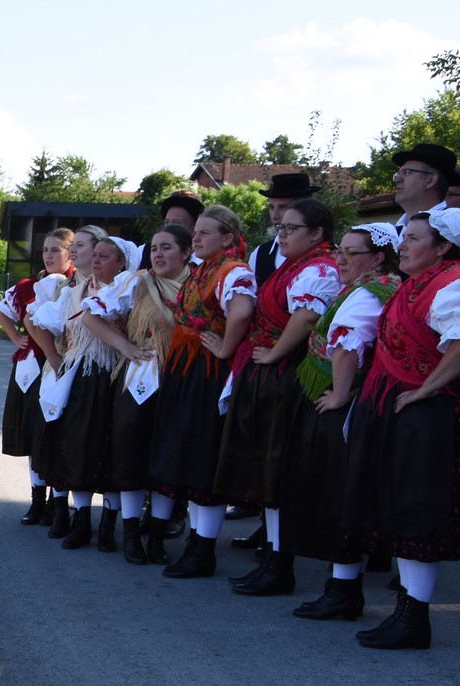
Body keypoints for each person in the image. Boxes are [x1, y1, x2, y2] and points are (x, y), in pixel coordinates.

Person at [341, 212, 460, 649]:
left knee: (416, 511)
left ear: (443, 246)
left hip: (427, 415)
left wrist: (428, 388)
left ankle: (414, 619)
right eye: (404, 237)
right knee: (400, 505)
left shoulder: (452, 282)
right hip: (400, 407)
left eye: (413, 238)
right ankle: (408, 615)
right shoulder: (418, 283)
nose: (403, 245)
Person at [214, 197, 340, 596]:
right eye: (280, 228)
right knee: (267, 468)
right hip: (269, 375)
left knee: (277, 467)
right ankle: (274, 557)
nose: (280, 235)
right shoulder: (294, 265)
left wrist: (276, 352)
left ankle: (281, 564)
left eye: (290, 228)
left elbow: (305, 317)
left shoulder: (319, 268)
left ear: (317, 233)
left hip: (287, 378)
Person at [281, 223, 402, 621]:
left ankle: (343, 592)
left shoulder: (369, 293)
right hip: (356, 403)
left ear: (378, 258)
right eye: (341, 251)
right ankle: (343, 589)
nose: (341, 259)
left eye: (352, 253)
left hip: (344, 410)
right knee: (345, 496)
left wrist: (340, 392)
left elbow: (349, 344)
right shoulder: (383, 286)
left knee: (341, 499)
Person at [148, 206, 256, 578]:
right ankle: (178, 539)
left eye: (205, 233)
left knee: (201, 455)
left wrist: (225, 348)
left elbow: (241, 311)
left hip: (207, 371)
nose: (196, 238)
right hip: (186, 366)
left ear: (227, 239)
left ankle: (202, 550)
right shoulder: (205, 270)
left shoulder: (233, 271)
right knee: (182, 450)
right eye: (195, 232)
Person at [82, 224, 194, 564]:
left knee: (166, 456)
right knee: (131, 452)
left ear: (186, 253)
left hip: (182, 376)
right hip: (140, 376)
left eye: (167, 248)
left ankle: (157, 538)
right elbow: (91, 316)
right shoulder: (137, 282)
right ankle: (131, 536)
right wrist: (126, 347)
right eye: (155, 248)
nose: (158, 254)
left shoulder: (199, 286)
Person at [33, 235, 138, 551]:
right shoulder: (73, 293)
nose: (96, 260)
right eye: (97, 255)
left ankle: (108, 525)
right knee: (76, 447)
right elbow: (36, 321)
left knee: (111, 450)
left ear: (122, 263)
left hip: (115, 377)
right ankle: (81, 521)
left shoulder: (129, 291)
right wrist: (55, 358)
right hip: (80, 378)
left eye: (105, 256)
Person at [28, 224, 105, 541]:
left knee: (84, 443)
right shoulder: (65, 287)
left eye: (82, 246)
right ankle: (60, 511)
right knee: (58, 439)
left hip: (98, 369)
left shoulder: (115, 286)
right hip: (66, 366)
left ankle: (86, 518)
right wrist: (54, 357)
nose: (75, 252)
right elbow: (34, 320)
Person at [0, 228, 74, 524]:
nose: (49, 255)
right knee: (33, 434)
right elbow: (3, 311)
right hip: (31, 367)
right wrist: (16, 338)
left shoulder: (75, 285)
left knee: (55, 435)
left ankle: (59, 503)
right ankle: (37, 500)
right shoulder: (30, 285)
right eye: (45, 250)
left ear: (70, 253)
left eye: (56, 250)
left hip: (61, 366)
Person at [389, 143, 456, 243]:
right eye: (398, 173)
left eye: (407, 172)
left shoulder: (453, 230)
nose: (397, 179)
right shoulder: (391, 233)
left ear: (431, 180)